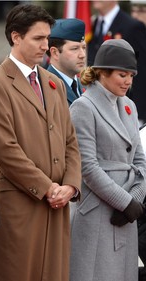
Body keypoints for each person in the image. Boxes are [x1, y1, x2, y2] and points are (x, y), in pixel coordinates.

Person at [0, 4, 82, 281]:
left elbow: (70, 140)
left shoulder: (54, 83)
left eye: (47, 38)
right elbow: (3, 149)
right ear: (16, 37)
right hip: (19, 203)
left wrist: (71, 184)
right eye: (38, 38)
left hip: (57, 203)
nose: (45, 45)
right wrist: (48, 188)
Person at [69, 39, 146, 281]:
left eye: (131, 76)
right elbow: (87, 167)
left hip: (126, 212)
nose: (128, 81)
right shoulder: (83, 107)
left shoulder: (130, 106)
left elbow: (141, 162)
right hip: (97, 211)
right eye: (122, 75)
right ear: (102, 72)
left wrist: (134, 200)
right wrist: (125, 202)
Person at [88, 0, 146, 123]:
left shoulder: (132, 26)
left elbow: (141, 70)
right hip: (99, 106)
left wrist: (139, 114)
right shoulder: (93, 24)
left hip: (126, 110)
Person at [47, 18, 86, 105]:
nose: (82, 55)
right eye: (75, 49)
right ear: (55, 53)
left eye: (84, 48)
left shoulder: (86, 87)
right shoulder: (44, 89)